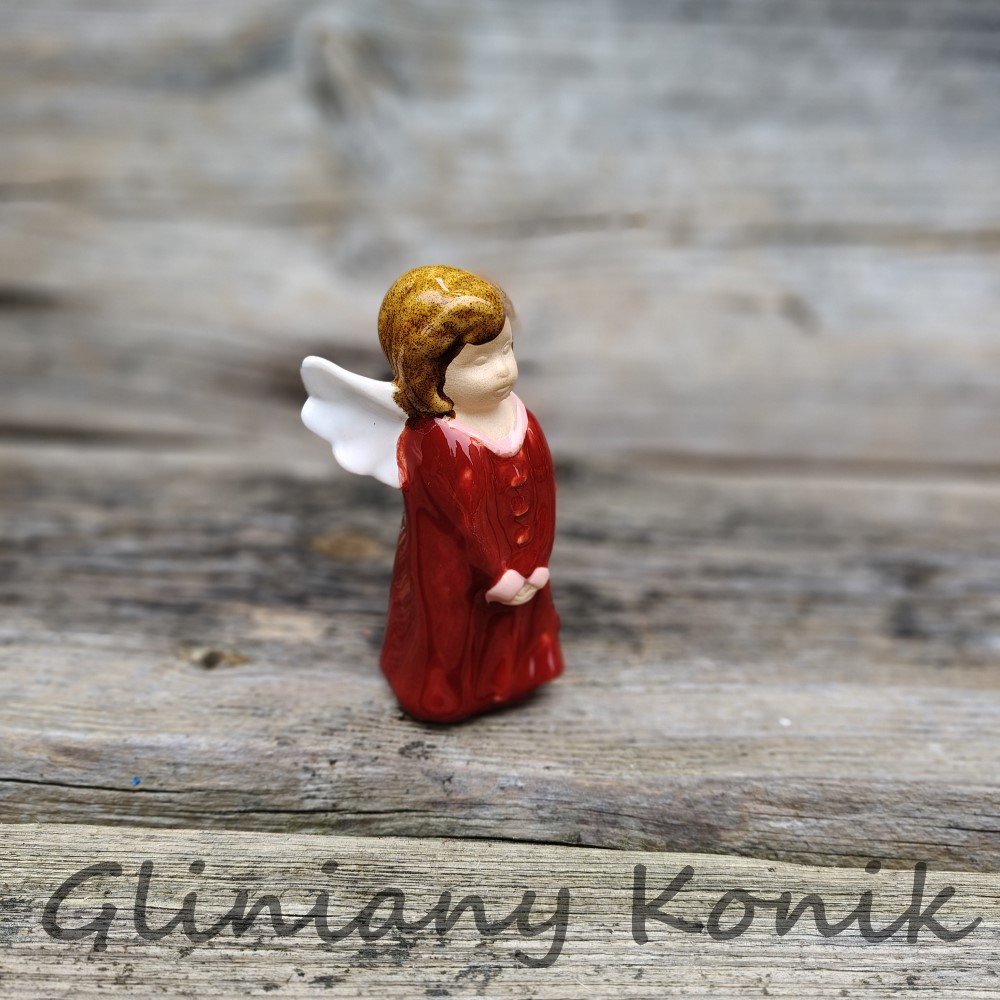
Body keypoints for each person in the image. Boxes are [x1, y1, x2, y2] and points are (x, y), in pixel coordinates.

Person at [376, 265, 564, 721]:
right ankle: (448, 693)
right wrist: (499, 574)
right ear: (429, 375)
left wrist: (536, 560)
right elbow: (464, 520)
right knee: (453, 631)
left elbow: (545, 495)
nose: (503, 370)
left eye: (507, 349)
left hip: (524, 563)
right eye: (479, 362)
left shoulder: (523, 419)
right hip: (458, 570)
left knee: (518, 626)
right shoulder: (435, 441)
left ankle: (514, 679)